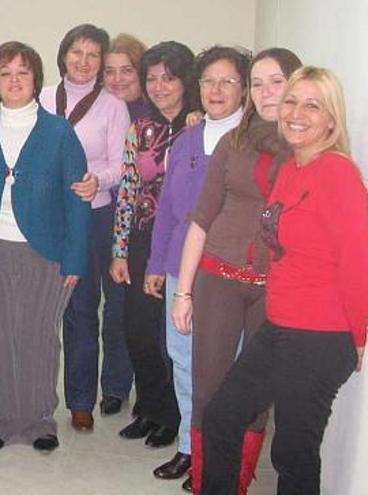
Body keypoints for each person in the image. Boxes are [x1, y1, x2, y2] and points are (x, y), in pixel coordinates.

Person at [200, 66, 368, 494]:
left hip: (321, 334)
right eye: (291, 102)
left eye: (312, 105)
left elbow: (358, 257)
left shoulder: (338, 173)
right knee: (222, 417)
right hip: (282, 325)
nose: (296, 113)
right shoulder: (291, 167)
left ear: (331, 118)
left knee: (292, 451)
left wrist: (361, 335)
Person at [171, 48, 302, 494]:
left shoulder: (309, 146)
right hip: (219, 278)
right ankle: (209, 481)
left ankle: (238, 483)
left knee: (256, 395)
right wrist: (183, 292)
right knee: (208, 388)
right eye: (259, 82)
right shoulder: (234, 142)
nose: (267, 92)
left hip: (276, 288)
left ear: (296, 84)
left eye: (277, 81)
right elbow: (201, 219)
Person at [0, 41, 90, 452]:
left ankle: (40, 419)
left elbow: (76, 201)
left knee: (40, 337)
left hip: (45, 253)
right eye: (5, 73)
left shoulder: (60, 133)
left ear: (36, 81)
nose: (14, 80)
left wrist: (75, 260)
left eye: (23, 73)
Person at [144, 45, 249, 491]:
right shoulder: (185, 139)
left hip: (226, 275)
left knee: (225, 367)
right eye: (209, 81)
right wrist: (155, 263)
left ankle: (219, 455)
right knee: (183, 361)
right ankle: (190, 446)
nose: (216, 90)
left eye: (227, 81)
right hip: (178, 270)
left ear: (244, 88)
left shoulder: (251, 142)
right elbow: (168, 211)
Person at [37, 23, 132, 431]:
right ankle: (34, 399)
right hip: (41, 219)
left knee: (80, 311)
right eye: (77, 52)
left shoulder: (112, 105)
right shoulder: (40, 99)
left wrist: (97, 179)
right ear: (63, 55)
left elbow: (120, 165)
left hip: (91, 218)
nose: (83, 61)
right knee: (38, 313)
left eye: (93, 55)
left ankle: (80, 401)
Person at [110, 40, 197, 449]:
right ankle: (148, 407)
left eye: (170, 77)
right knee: (138, 332)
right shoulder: (140, 128)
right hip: (143, 239)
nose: (160, 86)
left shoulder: (198, 127)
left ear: (186, 81)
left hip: (183, 242)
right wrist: (120, 250)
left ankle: (172, 417)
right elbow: (127, 190)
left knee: (169, 338)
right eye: (153, 78)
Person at [104, 34, 149, 122]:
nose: (117, 79)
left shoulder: (160, 115)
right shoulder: (94, 112)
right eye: (110, 71)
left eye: (127, 70)